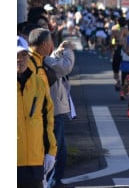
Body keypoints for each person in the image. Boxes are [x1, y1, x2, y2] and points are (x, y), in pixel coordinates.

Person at [18, 35, 57, 188]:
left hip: (35, 161)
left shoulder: (38, 83)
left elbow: (48, 119)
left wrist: (51, 152)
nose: (18, 59)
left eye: (22, 55)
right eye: (14, 55)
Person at [44, 39, 76, 188]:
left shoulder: (44, 59)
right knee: (57, 146)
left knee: (58, 146)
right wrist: (68, 50)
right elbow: (65, 67)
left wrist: (59, 50)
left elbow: (55, 60)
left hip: (55, 108)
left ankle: (54, 179)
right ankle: (53, 180)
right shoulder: (42, 60)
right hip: (54, 109)